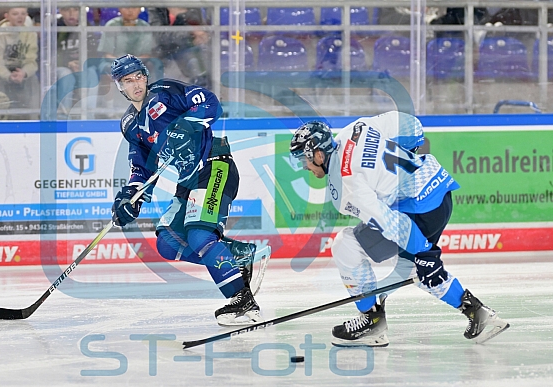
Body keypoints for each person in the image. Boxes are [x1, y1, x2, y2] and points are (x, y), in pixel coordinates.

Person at [289, 111, 509, 347]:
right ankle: (479, 313)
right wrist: (407, 159)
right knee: (416, 269)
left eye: (304, 159)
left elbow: (389, 222)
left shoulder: (346, 188)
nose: (304, 166)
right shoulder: (355, 128)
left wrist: (425, 251)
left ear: (319, 155)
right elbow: (410, 125)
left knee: (346, 246)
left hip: (418, 209)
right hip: (439, 190)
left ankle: (371, 320)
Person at [110, 54, 269, 325]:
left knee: (199, 236)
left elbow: (210, 103)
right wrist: (130, 196)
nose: (136, 84)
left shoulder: (166, 93)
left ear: (146, 76)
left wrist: (186, 124)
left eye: (138, 76)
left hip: (214, 165)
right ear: (120, 87)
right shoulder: (130, 126)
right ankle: (239, 255)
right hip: (188, 181)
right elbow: (141, 166)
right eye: (128, 80)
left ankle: (242, 299)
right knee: (168, 242)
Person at [0, 7, 39, 119]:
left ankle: (34, 117)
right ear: (7, 16)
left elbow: (31, 61)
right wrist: (8, 76)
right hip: (1, 69)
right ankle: (1, 112)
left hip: (20, 69)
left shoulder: (30, 34)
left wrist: (24, 73)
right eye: (15, 14)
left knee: (32, 78)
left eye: (23, 14)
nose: (20, 17)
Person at [56, 6, 100, 118]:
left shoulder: (86, 26)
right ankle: (63, 116)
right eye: (67, 10)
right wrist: (68, 63)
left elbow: (93, 53)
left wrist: (82, 63)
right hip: (61, 66)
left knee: (92, 74)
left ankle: (89, 115)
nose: (71, 14)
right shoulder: (56, 27)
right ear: (61, 11)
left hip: (83, 64)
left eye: (75, 10)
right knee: (67, 76)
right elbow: (52, 54)